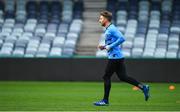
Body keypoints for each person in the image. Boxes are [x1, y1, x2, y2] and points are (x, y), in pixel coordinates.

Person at [94, 10, 150, 106]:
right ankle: (143, 87)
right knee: (123, 77)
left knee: (106, 77)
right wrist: (104, 46)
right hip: (118, 56)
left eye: (101, 18)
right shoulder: (108, 29)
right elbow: (113, 42)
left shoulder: (112, 28)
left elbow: (122, 38)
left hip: (115, 57)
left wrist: (110, 47)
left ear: (106, 19)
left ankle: (105, 101)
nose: (99, 20)